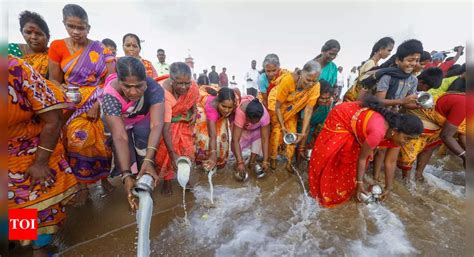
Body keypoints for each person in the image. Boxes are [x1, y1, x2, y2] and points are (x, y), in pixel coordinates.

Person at [8, 55, 79, 254]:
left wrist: (41, 162)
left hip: (30, 151)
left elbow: (54, 119)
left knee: (32, 206)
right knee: (16, 208)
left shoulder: (17, 69)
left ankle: (41, 248)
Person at [48, 4, 115, 204]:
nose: (76, 31)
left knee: (102, 144)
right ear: (64, 25)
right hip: (71, 103)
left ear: (88, 27)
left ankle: (103, 180)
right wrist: (68, 97)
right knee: (77, 142)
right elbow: (54, 80)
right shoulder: (57, 46)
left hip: (97, 100)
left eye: (81, 27)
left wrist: (97, 103)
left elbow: (110, 80)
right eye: (71, 26)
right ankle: (83, 186)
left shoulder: (101, 49)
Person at [308, 96, 423, 207]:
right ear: (395, 131)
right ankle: (320, 192)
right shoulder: (378, 133)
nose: (407, 143)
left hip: (360, 122)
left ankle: (343, 189)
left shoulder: (397, 135)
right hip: (342, 116)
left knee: (351, 159)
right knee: (333, 156)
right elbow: (362, 158)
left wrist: (388, 187)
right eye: (407, 138)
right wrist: (360, 183)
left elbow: (391, 162)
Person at [101, 56, 164, 210]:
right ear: (119, 81)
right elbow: (120, 136)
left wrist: (149, 160)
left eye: (139, 86)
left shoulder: (154, 88)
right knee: (126, 155)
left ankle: (145, 190)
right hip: (120, 123)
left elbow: (156, 124)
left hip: (142, 119)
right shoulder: (110, 94)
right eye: (127, 86)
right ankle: (132, 185)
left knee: (144, 151)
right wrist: (126, 175)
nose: (133, 92)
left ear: (146, 81)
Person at [398, 82, 466, 182]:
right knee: (411, 148)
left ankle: (418, 175)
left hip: (440, 122)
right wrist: (464, 155)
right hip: (424, 115)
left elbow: (463, 133)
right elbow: (446, 135)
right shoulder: (465, 104)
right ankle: (405, 180)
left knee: (430, 146)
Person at [155, 62, 199, 195]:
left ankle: (184, 178)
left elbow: (192, 100)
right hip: (167, 124)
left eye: (187, 83)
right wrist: (172, 153)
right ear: (172, 80)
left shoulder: (192, 87)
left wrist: (195, 111)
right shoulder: (163, 94)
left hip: (184, 121)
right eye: (180, 84)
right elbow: (166, 128)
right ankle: (167, 180)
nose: (184, 87)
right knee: (167, 153)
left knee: (187, 149)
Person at [270, 60, 322, 172]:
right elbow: (277, 106)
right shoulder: (288, 80)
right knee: (277, 131)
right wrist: (283, 127)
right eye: (308, 79)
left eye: (314, 80)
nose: (310, 84)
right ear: (302, 73)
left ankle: (288, 162)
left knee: (292, 132)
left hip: (292, 108)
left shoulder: (315, 86)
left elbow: (308, 109)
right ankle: (273, 159)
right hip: (277, 104)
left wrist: (303, 133)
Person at [195, 87, 237, 170]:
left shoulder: (234, 102)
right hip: (203, 113)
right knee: (205, 138)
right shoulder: (211, 108)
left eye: (230, 108)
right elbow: (212, 136)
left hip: (219, 114)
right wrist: (213, 152)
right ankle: (204, 160)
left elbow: (233, 123)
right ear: (218, 102)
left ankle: (220, 161)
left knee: (222, 138)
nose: (226, 110)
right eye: (224, 106)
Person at [344, 37, 394, 102]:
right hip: (354, 100)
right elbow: (364, 86)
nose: (389, 53)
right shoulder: (371, 64)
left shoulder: (374, 64)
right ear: (381, 49)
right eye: (389, 50)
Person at [231, 97, 271, 180]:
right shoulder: (241, 112)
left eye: (256, 122)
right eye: (252, 121)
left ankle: (251, 162)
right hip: (243, 128)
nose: (253, 123)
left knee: (259, 138)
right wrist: (240, 162)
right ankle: (239, 161)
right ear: (247, 116)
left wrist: (265, 161)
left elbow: (264, 139)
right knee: (235, 145)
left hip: (257, 130)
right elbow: (236, 139)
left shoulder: (265, 116)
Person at [9, 11, 51, 78]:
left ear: (48, 37)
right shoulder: (10, 50)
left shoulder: (53, 56)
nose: (33, 37)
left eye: (38, 33)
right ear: (22, 33)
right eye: (28, 32)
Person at [297, 80, 334, 153]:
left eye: (327, 98)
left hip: (314, 133)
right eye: (322, 98)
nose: (325, 101)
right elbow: (306, 127)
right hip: (300, 130)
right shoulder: (307, 104)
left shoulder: (329, 103)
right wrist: (301, 147)